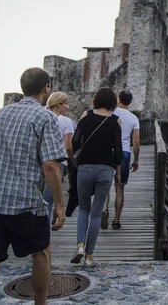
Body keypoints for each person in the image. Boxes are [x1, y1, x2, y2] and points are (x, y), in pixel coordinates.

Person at [0, 68, 66, 305]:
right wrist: (59, 204)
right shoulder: (45, 118)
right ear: (46, 88)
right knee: (42, 253)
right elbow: (49, 166)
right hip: (24, 201)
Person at [71, 87, 122, 267]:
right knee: (96, 212)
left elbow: (75, 141)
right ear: (112, 102)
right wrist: (117, 170)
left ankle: (79, 245)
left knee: (83, 209)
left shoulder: (86, 116)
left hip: (85, 167)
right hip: (105, 169)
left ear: (96, 99)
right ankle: (89, 257)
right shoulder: (116, 121)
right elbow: (118, 151)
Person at [110, 90, 140, 229]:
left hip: (108, 151)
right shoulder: (134, 118)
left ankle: (104, 209)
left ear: (119, 100)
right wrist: (136, 159)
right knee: (120, 189)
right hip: (124, 153)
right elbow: (136, 141)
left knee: (104, 185)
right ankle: (116, 220)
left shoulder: (111, 113)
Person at [43, 92, 74, 222]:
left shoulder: (42, 117)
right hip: (57, 164)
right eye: (65, 104)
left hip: (40, 163)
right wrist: (73, 160)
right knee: (49, 203)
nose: (67, 107)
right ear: (58, 105)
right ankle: (45, 237)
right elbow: (68, 147)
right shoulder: (66, 122)